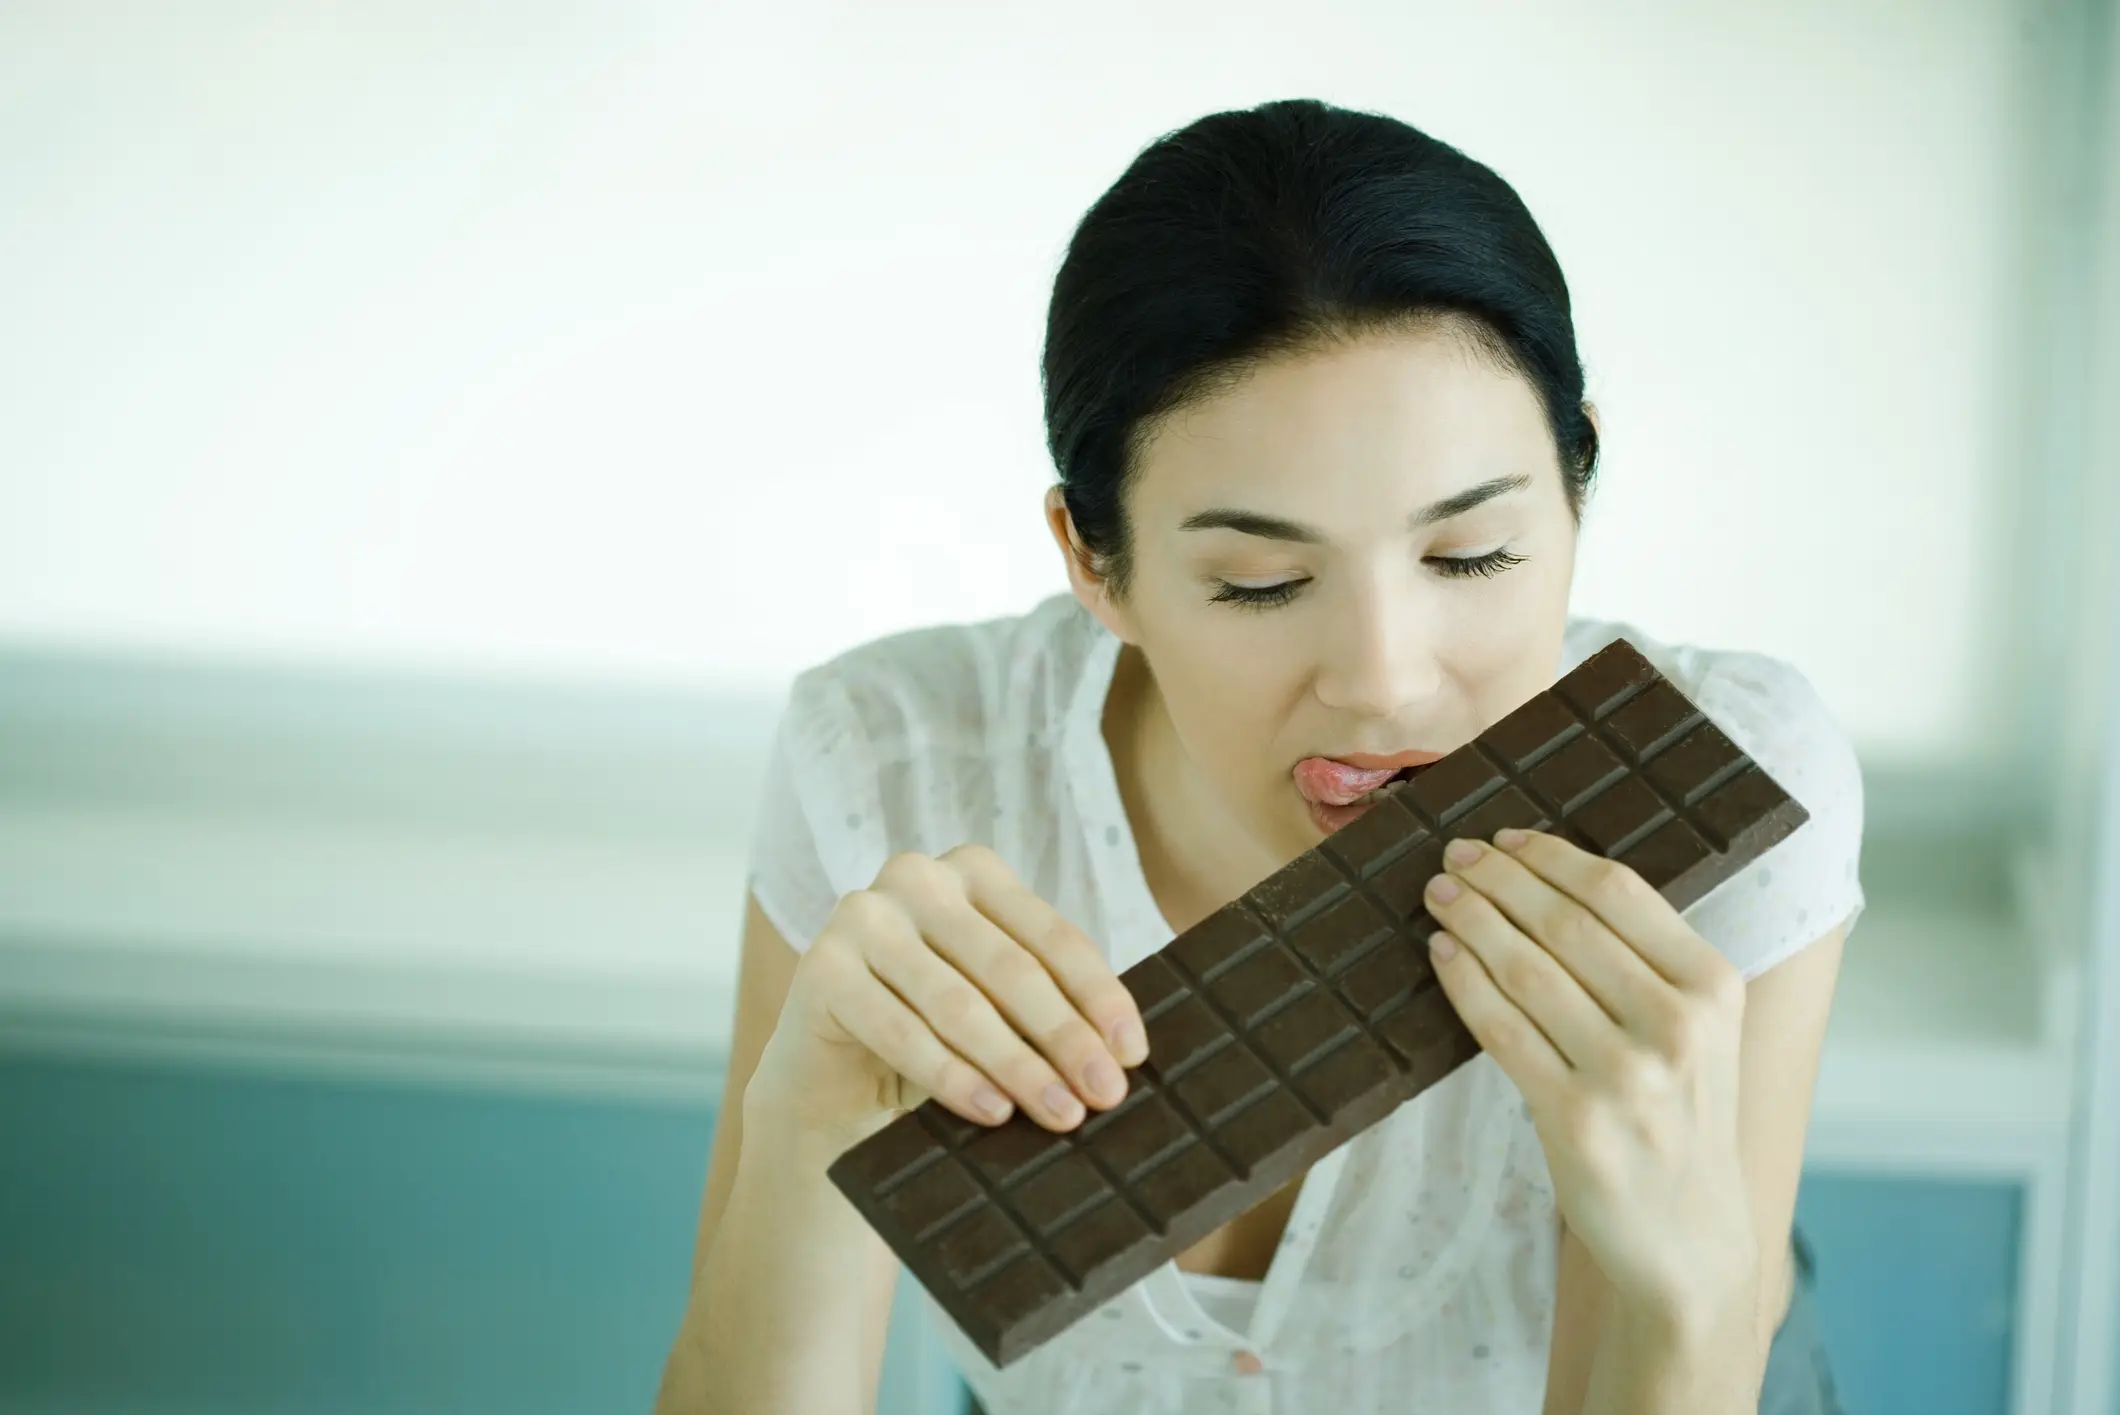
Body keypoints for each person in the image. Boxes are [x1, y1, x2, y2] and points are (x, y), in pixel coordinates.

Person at [654, 97, 1863, 1415]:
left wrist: (1685, 1288)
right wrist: (806, 1135)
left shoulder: (1732, 766)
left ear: (1577, 487)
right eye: (1262, 581)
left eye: (1473, 556)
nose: (1385, 677)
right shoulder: (891, 764)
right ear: (1093, 563)